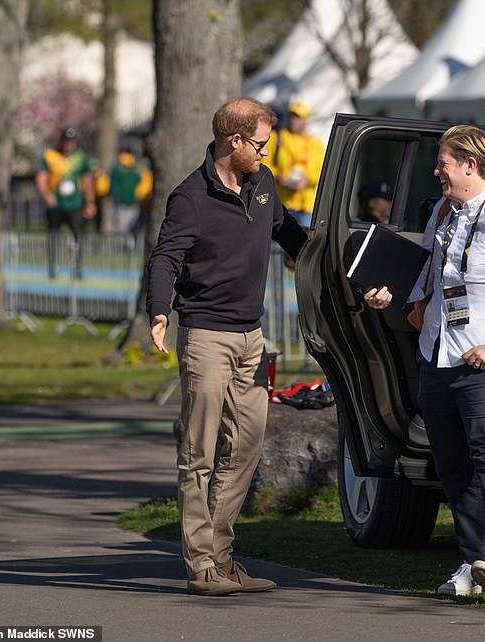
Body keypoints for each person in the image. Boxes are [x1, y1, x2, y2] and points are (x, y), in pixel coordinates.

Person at [363, 125, 485, 602]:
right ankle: (472, 561)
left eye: (443, 162)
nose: (437, 171)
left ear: (470, 165)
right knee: (452, 467)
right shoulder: (445, 213)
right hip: (438, 356)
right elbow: (428, 275)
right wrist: (392, 293)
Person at [146, 97, 307, 597]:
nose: (266, 154)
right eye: (260, 145)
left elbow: (291, 236)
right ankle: (201, 566)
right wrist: (158, 310)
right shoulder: (190, 197)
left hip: (251, 336)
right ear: (233, 141)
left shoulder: (263, 186)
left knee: (246, 445)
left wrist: (335, 272)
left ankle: (221, 555)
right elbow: (166, 258)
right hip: (206, 337)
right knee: (199, 453)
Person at [34, 126, 96, 279]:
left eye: (71, 141)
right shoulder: (51, 156)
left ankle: (76, 268)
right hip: (56, 205)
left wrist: (90, 202)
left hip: (74, 204)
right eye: (66, 141)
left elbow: (87, 180)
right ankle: (52, 268)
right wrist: (47, 195)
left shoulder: (80, 157)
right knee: (53, 236)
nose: (68, 144)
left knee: (77, 236)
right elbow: (41, 178)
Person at [262, 99, 325, 228]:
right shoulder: (276, 138)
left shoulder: (315, 143)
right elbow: (264, 163)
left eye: (298, 116)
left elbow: (322, 170)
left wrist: (307, 180)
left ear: (306, 119)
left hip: (307, 204)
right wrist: (278, 176)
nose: (293, 119)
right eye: (291, 115)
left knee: (304, 244)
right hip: (283, 203)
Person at [108, 144, 146, 235]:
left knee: (123, 228)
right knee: (133, 226)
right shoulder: (136, 168)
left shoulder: (116, 167)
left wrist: (111, 197)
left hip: (121, 201)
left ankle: (126, 246)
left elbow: (112, 185)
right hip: (134, 201)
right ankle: (131, 246)